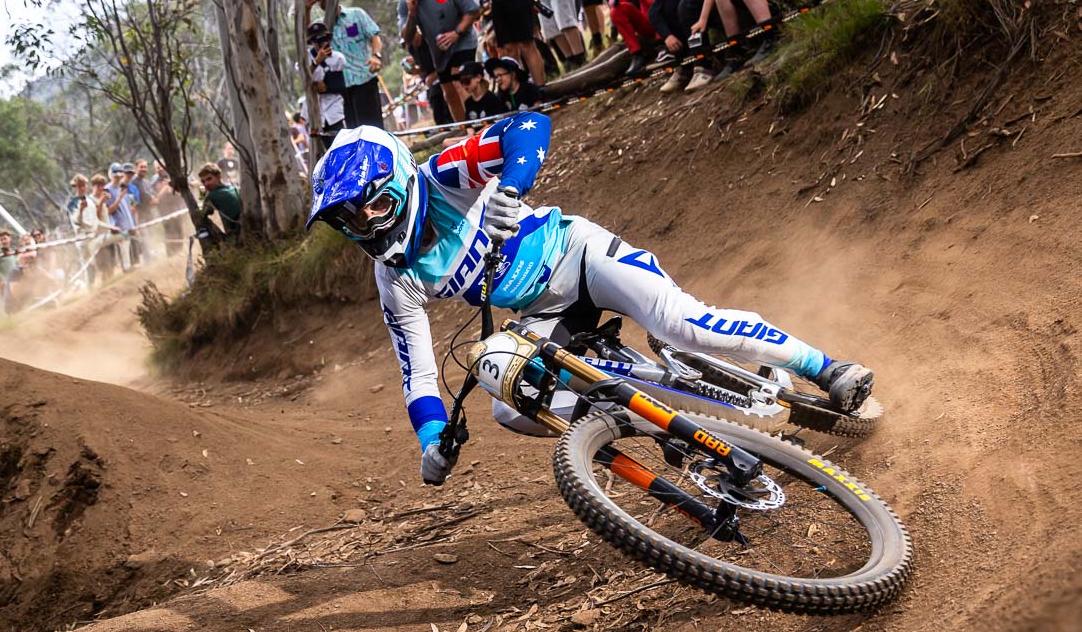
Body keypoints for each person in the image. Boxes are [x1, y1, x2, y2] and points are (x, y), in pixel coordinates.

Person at [304, 117, 876, 486]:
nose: (367, 226)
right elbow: (419, 375)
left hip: (580, 255)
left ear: (402, 183)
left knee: (682, 323)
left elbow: (528, 126)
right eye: (349, 220)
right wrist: (433, 440)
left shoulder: (444, 177)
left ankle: (824, 368)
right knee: (512, 406)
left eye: (374, 206)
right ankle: (675, 430)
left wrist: (512, 185)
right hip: (542, 313)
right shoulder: (393, 276)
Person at [395, 0, 481, 125]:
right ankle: (464, 127)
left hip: (463, 41)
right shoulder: (404, 4)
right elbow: (407, 37)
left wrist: (456, 33)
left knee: (458, 81)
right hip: (440, 52)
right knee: (448, 92)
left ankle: (476, 122)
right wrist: (412, 12)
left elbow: (473, 10)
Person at [303, 0, 385, 129]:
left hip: (364, 80)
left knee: (373, 129)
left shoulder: (356, 14)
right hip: (339, 90)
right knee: (351, 132)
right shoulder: (322, 26)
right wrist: (307, 9)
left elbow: (374, 36)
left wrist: (376, 56)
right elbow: (308, 35)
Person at [307, 24, 350, 134]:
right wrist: (316, 62)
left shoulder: (338, 58)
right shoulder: (306, 58)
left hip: (335, 110)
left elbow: (342, 84)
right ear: (312, 42)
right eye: (318, 40)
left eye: (325, 39)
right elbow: (304, 77)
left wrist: (328, 86)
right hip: (315, 111)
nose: (323, 43)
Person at [197, 164, 242, 236]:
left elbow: (202, 215)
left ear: (218, 177)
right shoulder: (233, 188)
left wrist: (202, 195)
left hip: (235, 234)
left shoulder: (212, 195)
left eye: (209, 179)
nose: (206, 184)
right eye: (203, 181)